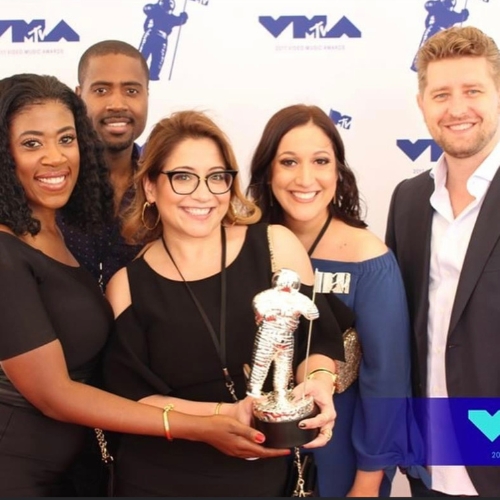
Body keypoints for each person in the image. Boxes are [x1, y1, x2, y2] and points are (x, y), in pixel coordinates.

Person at [0, 74, 296, 497]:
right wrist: (200, 425)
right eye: (31, 143)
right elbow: (54, 395)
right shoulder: (5, 252)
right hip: (17, 469)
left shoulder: (52, 232)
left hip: (74, 468)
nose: (54, 157)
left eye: (66, 139)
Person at [102, 109, 348, 497]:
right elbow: (135, 398)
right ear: (150, 186)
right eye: (183, 177)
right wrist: (225, 416)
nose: (203, 194)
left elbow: (317, 340)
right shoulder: (126, 286)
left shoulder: (275, 245)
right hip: (160, 479)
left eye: (217, 177)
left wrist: (319, 383)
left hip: (265, 476)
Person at [247, 104, 426, 497]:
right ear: (267, 171)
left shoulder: (367, 257)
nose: (305, 178)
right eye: (289, 161)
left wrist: (368, 479)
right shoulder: (242, 243)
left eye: (321, 161)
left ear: (338, 171)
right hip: (250, 454)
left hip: (340, 456)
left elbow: (388, 381)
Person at [386, 25, 500, 497]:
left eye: (472, 90)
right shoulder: (409, 199)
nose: (456, 109)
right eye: (441, 94)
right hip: (429, 451)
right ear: (422, 105)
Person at [58, 40, 149, 289]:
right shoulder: (51, 179)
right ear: (79, 96)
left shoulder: (166, 183)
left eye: (131, 91)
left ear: (147, 95)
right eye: (101, 90)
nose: (117, 104)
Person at [139, 0, 188, 81]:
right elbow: (180, 20)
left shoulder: (155, 11)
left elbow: (147, 8)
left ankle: (148, 74)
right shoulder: (157, 12)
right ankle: (151, 74)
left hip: (155, 36)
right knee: (154, 57)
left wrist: (183, 17)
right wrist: (183, 16)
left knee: (151, 57)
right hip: (156, 36)